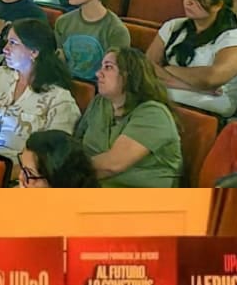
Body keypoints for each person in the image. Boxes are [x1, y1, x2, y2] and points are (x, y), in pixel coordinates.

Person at [149, 0, 237, 118]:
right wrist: (187, 85)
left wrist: (168, 69)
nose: (187, 2)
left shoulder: (235, 39)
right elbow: (147, 66)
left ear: (217, 5)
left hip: (208, 108)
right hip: (170, 95)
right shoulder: (173, 26)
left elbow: (210, 78)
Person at [76, 46, 184, 187]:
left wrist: (65, 175)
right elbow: (77, 142)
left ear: (129, 75)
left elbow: (112, 165)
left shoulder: (154, 114)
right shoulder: (100, 103)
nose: (98, 73)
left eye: (108, 67)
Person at [0, 19, 80, 158]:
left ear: (34, 52)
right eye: (7, 42)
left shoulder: (59, 100)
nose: (5, 49)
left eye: (13, 43)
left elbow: (52, 155)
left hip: (17, 166)